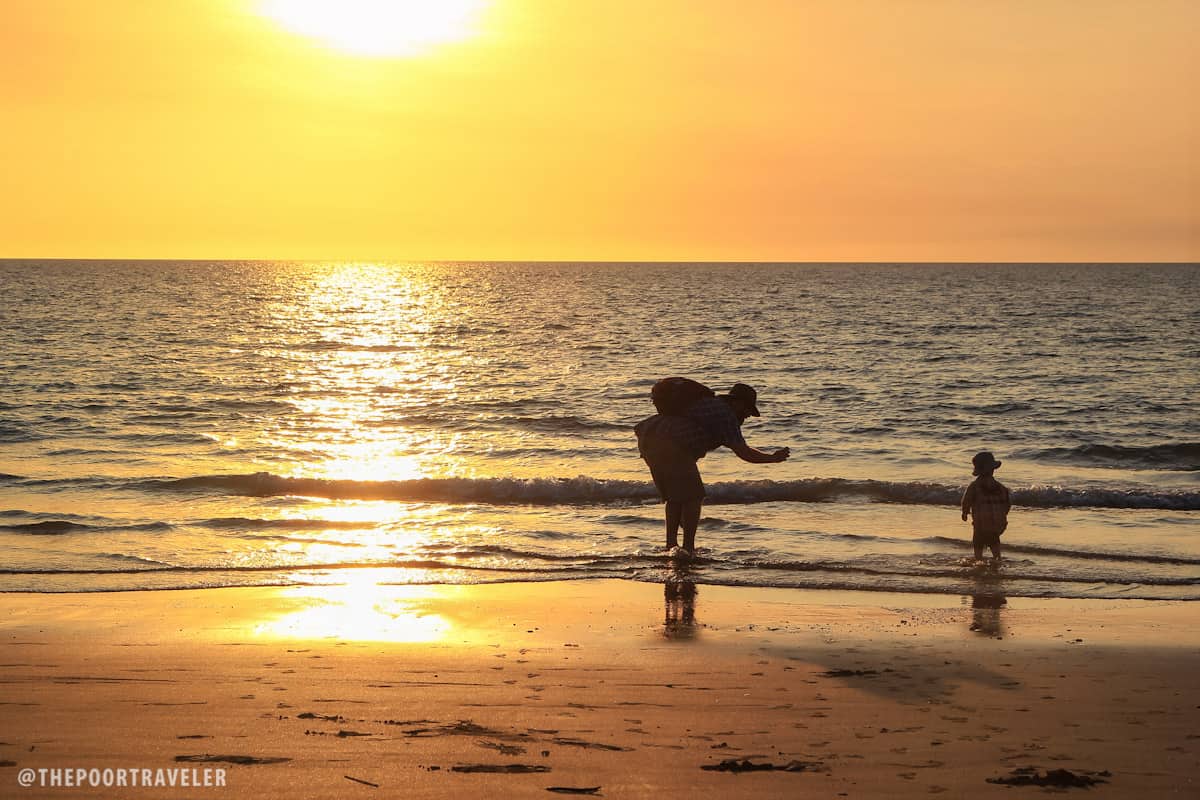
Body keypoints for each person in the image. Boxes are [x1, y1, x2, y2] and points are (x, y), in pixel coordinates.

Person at [635, 382, 789, 556]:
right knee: (693, 497)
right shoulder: (726, 414)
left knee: (675, 498)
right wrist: (772, 458)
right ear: (737, 402)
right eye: (747, 410)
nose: (747, 416)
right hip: (670, 442)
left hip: (649, 437)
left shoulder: (709, 405)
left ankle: (671, 545)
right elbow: (744, 453)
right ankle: (688, 548)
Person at [960, 451, 1011, 560]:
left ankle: (978, 560)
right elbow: (1007, 504)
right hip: (995, 525)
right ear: (993, 469)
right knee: (995, 543)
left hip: (980, 524)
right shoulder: (1001, 487)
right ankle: (997, 559)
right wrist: (1002, 514)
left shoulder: (974, 486)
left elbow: (966, 500)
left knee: (978, 543)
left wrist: (965, 512)